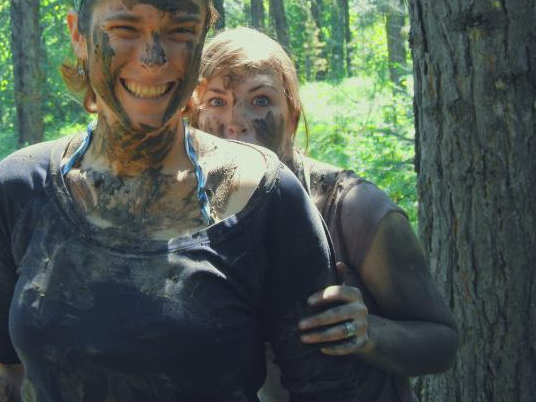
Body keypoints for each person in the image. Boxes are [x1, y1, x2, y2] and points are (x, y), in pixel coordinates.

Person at [0, 0, 357, 401]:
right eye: (124, 29)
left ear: (202, 38)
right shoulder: (18, 190)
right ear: (78, 34)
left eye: (180, 31)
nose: (154, 58)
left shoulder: (262, 196)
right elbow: (2, 371)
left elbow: (325, 389)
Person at [191, 27, 459, 402]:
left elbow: (443, 344)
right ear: (192, 118)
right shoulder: (183, 219)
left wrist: (367, 332)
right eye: (216, 101)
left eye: (261, 100)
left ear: (293, 116)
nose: (235, 121)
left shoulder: (354, 209)